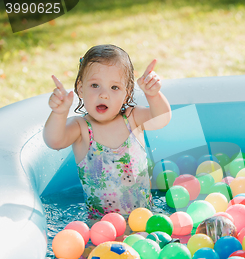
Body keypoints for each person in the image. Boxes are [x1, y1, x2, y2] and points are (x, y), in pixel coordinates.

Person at [44, 44, 171, 219]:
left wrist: (153, 95)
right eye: (95, 85)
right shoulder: (81, 128)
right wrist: (59, 113)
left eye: (114, 88)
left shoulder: (133, 118)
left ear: (126, 94)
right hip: (101, 227)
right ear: (80, 89)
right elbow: (54, 141)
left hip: (146, 219)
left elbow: (162, 119)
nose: (104, 94)